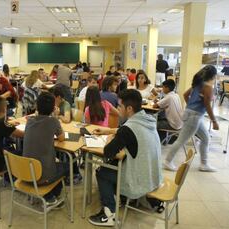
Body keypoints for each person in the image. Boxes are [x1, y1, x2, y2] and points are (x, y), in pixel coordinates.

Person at [88, 89, 163, 226]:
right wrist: (110, 130)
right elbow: (128, 130)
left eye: (120, 106)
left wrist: (111, 137)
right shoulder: (147, 120)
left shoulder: (128, 129)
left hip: (139, 178)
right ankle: (119, 196)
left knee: (102, 172)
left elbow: (108, 152)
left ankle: (109, 214)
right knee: (117, 164)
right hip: (153, 174)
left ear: (129, 108)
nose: (117, 108)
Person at [163, 65, 219, 172]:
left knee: (206, 138)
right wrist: (214, 121)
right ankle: (167, 161)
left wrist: (191, 107)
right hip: (194, 117)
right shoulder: (208, 88)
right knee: (181, 140)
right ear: (213, 76)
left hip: (191, 114)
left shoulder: (197, 84)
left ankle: (204, 164)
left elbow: (185, 95)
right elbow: (207, 105)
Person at [23, 92, 69, 204]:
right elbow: (62, 138)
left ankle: (46, 194)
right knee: (66, 166)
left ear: (37, 106)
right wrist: (56, 116)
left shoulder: (29, 120)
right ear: (53, 108)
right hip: (42, 177)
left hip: (25, 173)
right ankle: (51, 196)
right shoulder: (53, 121)